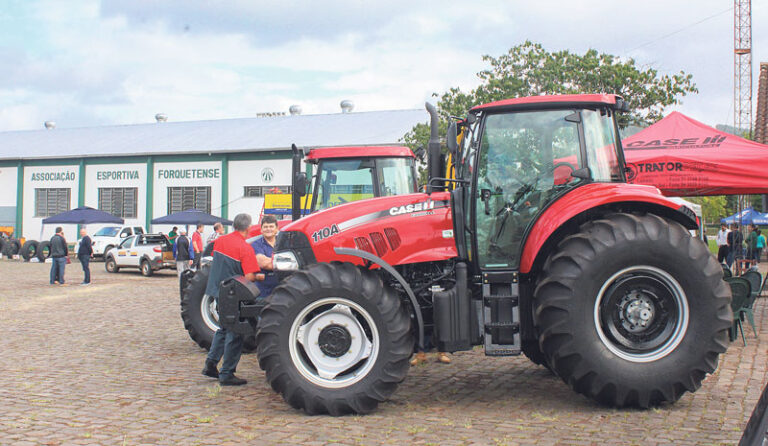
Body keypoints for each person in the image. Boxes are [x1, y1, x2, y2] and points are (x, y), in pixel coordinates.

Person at [202, 213, 261, 386]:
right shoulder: (245, 248)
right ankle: (227, 373)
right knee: (236, 332)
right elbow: (249, 276)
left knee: (223, 328)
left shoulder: (220, 241)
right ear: (249, 228)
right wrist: (261, 276)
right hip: (234, 294)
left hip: (217, 290)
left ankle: (211, 363)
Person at [251, 216, 279, 298]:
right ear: (261, 229)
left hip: (282, 289)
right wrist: (287, 262)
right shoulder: (256, 244)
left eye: (271, 226)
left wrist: (270, 261)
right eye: (265, 227)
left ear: (277, 229)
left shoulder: (283, 242)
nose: (268, 229)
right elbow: (263, 263)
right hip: (263, 291)